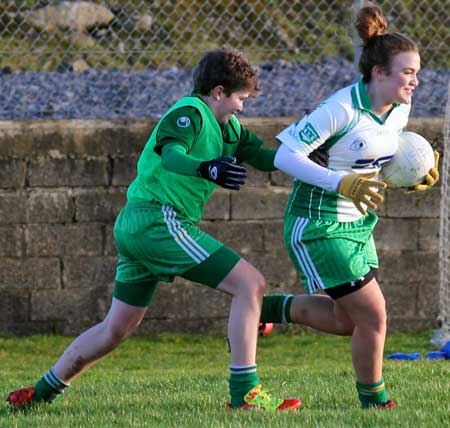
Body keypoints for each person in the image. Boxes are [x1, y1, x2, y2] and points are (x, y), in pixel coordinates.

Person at [7, 48, 308, 412]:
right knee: (250, 284)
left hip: (137, 226)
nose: (242, 107)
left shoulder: (230, 129)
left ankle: (40, 393)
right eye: (240, 98)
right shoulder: (190, 112)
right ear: (217, 92)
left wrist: (313, 156)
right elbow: (171, 154)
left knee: (115, 329)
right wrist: (207, 168)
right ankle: (245, 395)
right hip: (157, 219)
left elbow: (267, 157)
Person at [259, 4, 439, 409]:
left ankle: (269, 307)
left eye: (417, 72)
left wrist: (413, 176)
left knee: (348, 321)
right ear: (379, 73)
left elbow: (378, 158)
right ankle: (374, 401)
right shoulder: (340, 109)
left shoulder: (400, 108)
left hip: (358, 225)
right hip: (317, 224)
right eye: (408, 72)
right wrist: (340, 181)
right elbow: (285, 155)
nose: (416, 80)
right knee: (374, 316)